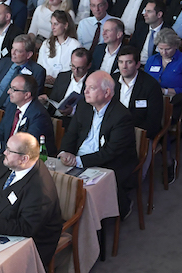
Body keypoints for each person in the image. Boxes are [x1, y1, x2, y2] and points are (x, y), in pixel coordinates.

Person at [0, 132, 62, 267]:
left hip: (28, 243)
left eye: (9, 150)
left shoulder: (40, 190)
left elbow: (27, 228)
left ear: (24, 159)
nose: (4, 152)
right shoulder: (11, 162)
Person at [59, 71, 137, 219]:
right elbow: (71, 134)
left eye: (92, 88)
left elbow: (111, 152)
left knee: (86, 190)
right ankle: (66, 214)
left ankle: (94, 221)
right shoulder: (83, 105)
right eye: (86, 87)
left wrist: (78, 161)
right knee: (55, 179)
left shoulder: (121, 116)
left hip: (109, 162)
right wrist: (65, 152)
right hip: (80, 157)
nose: (85, 91)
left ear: (107, 92)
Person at [145, 28, 182, 182]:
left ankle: (168, 160)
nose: (163, 52)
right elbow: (145, 83)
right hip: (153, 102)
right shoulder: (152, 60)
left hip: (177, 104)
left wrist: (166, 91)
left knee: (161, 122)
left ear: (176, 46)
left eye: (167, 49)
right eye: (160, 49)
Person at [0, 74, 55, 156]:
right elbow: (0, 133)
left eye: (13, 89)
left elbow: (26, 147)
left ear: (27, 95)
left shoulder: (39, 116)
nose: (8, 92)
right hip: (7, 154)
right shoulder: (12, 106)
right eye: (10, 87)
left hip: (30, 158)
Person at [113, 45, 164, 140]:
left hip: (138, 134)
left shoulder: (151, 86)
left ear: (137, 65)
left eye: (129, 62)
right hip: (113, 131)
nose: (124, 66)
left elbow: (153, 121)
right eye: (121, 62)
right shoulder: (111, 81)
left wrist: (129, 133)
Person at [42, 48, 91, 122]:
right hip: (56, 118)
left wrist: (72, 111)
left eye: (80, 68)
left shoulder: (93, 82)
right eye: (73, 66)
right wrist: (46, 102)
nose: (76, 71)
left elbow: (91, 110)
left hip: (78, 121)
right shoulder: (62, 77)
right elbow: (53, 100)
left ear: (89, 65)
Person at [38, 10, 82, 86]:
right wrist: (45, 77)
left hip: (65, 85)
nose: (52, 27)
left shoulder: (75, 45)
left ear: (65, 25)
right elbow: (40, 65)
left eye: (56, 24)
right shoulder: (46, 44)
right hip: (45, 84)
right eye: (51, 24)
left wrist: (58, 80)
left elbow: (75, 71)